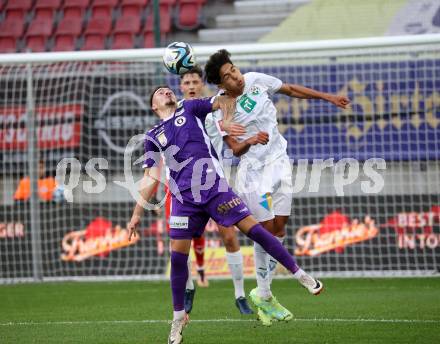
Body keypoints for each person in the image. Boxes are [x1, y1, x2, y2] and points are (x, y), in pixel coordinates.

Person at [127, 86, 323, 344]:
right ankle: (177, 319)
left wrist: (227, 119)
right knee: (177, 259)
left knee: (257, 232)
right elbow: (150, 176)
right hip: (184, 199)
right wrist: (136, 213)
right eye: (160, 92)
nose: (166, 92)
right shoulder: (153, 135)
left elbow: (225, 100)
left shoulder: (190, 107)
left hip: (214, 189)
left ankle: (301, 275)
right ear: (154, 106)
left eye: (167, 90)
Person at [204, 49, 350, 325]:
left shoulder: (256, 79)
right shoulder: (220, 111)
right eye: (228, 76)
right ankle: (266, 293)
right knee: (266, 229)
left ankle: (261, 293)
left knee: (281, 226)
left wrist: (327, 97)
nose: (236, 76)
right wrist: (250, 140)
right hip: (253, 172)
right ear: (221, 85)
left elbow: (290, 89)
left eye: (234, 69)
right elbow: (234, 149)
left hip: (279, 161)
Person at [178, 65, 257, 314]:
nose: (191, 86)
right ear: (181, 87)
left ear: (202, 84)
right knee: (182, 243)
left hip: (216, 186)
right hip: (185, 189)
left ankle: (240, 294)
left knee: (230, 236)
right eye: (186, 82)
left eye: (194, 82)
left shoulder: (212, 111)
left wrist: (232, 127)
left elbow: (229, 108)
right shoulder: (176, 113)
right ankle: (189, 287)